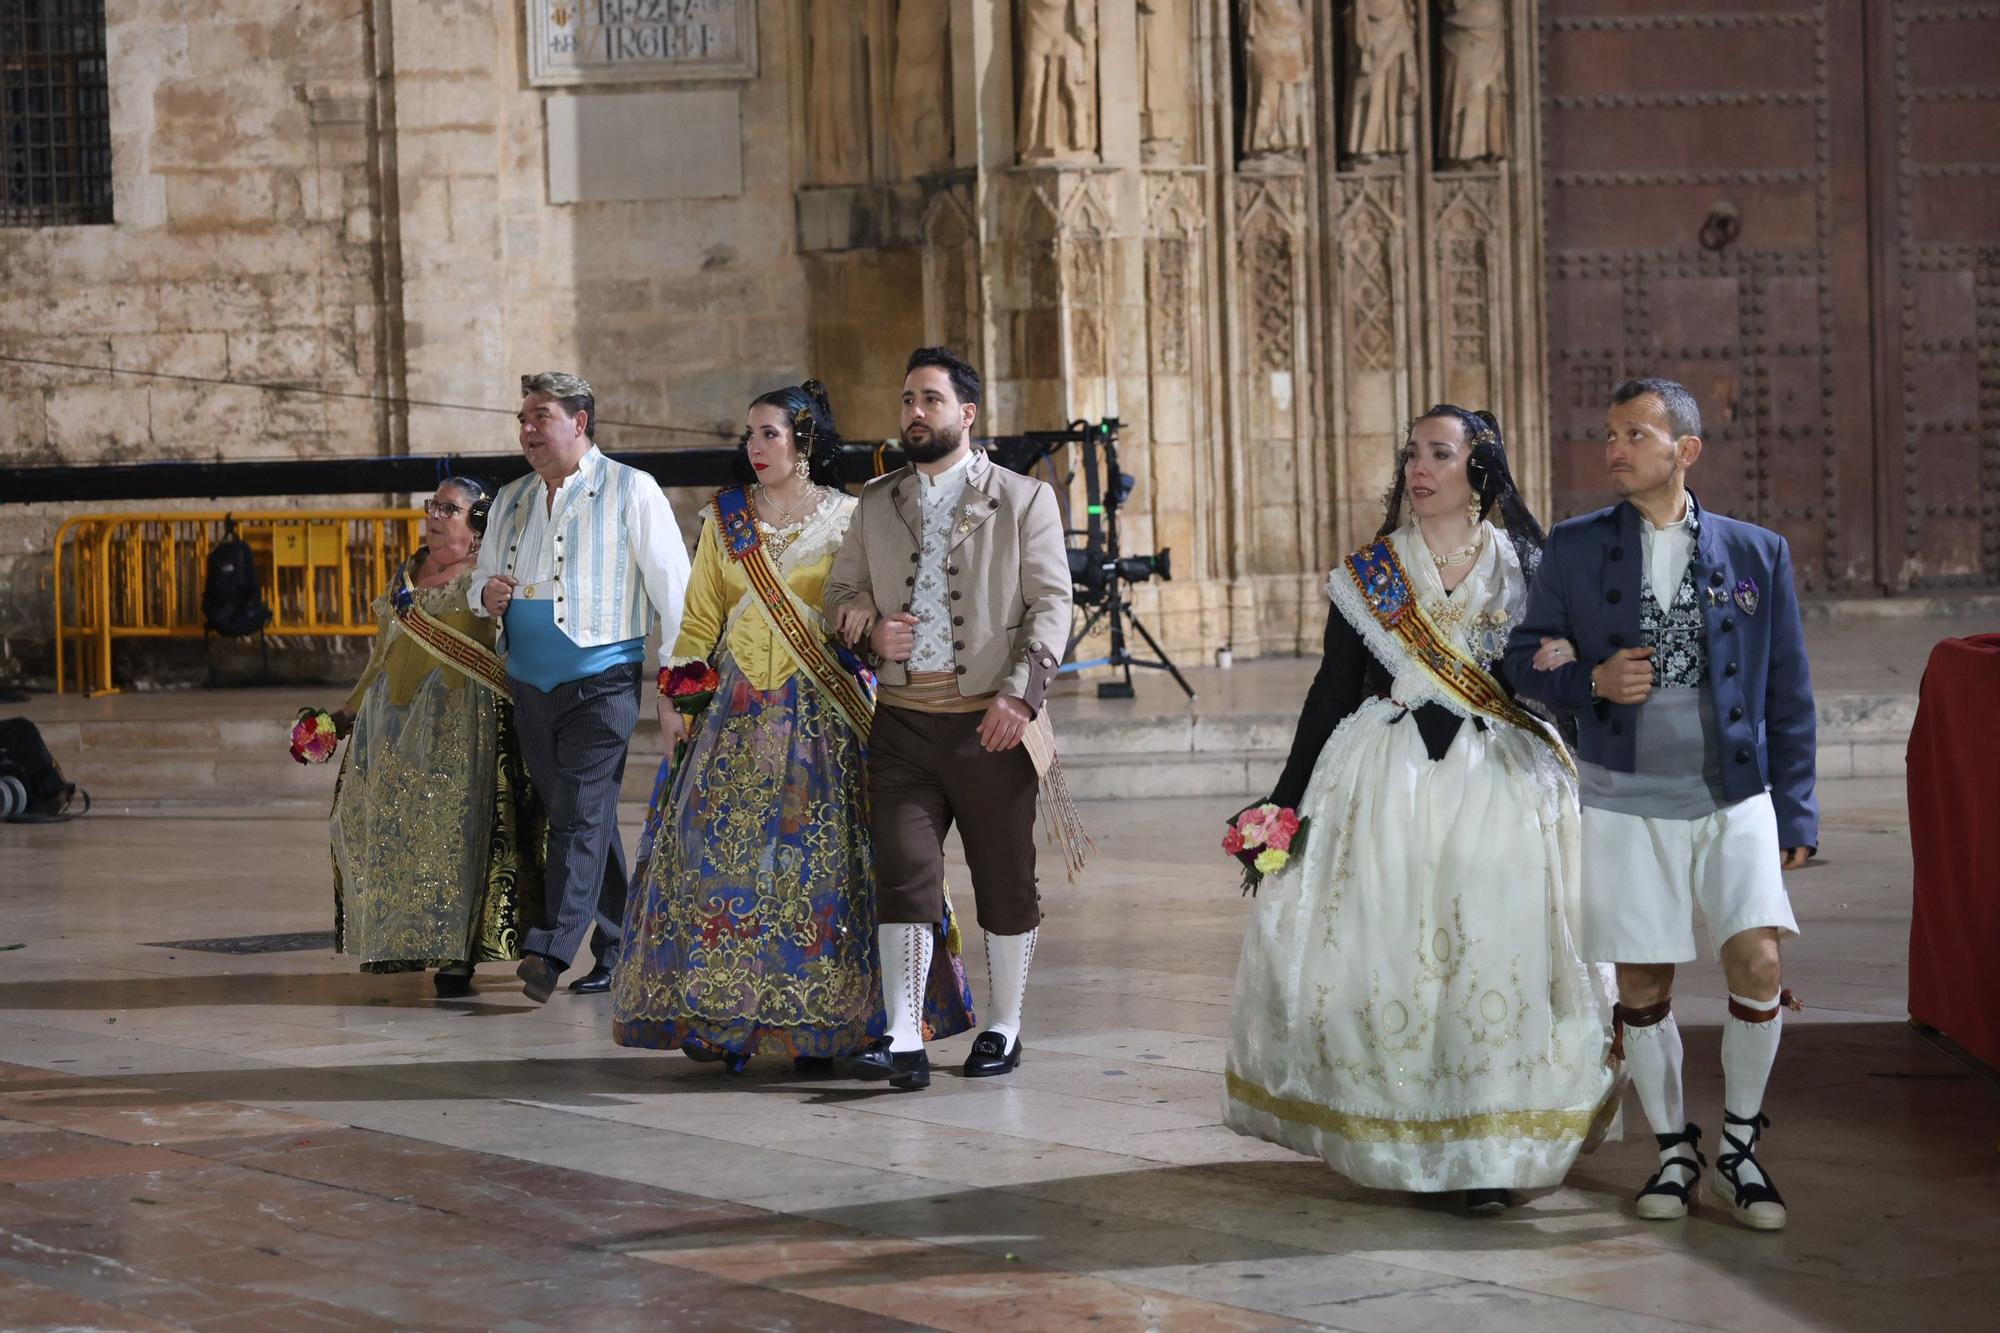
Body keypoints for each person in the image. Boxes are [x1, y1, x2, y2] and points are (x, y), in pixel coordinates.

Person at [1223, 406, 1618, 1214]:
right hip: (1385, 782)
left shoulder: (1527, 564)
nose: (1418, 469)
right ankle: (1404, 1138)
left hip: (1502, 782)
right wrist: (1283, 803)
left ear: (1481, 469)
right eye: (1411, 453)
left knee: (1494, 957)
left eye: (1439, 453)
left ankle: (1487, 1148)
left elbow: (1555, 680)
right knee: (1392, 958)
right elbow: (1330, 693)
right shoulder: (1372, 573)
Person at [1505, 378, 1816, 1231]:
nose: (1614, 448)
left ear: (1686, 450)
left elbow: (1788, 690)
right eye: (1608, 434)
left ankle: (1740, 1148)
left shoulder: (1758, 553)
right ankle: (1675, 1151)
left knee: (1757, 958)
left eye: (1634, 433)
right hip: (1623, 794)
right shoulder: (1573, 548)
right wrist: (1588, 680)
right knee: (1643, 977)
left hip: (1734, 793)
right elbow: (1521, 661)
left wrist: (1796, 809)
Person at [612, 381, 976, 1072]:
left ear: (804, 441)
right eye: (749, 435)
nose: (755, 447)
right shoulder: (724, 521)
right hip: (736, 717)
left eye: (770, 434)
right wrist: (678, 697)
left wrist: (865, 612)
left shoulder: (850, 518)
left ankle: (843, 1022)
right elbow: (696, 621)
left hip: (826, 715)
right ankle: (730, 1020)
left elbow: (875, 599)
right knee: (725, 868)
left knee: (834, 873)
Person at [824, 346, 1079, 1091]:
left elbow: (1052, 605)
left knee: (1006, 881)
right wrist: (868, 627)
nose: (914, 412)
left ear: (966, 414)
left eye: (930, 399)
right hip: (901, 722)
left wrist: (1020, 695)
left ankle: (1005, 1024)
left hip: (992, 725)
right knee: (904, 877)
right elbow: (841, 591)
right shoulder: (876, 501)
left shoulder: (1025, 499)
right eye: (906, 399)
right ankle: (903, 1032)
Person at [472, 372, 692, 1003]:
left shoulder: (632, 489)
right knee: (576, 814)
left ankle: (550, 948)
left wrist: (676, 682)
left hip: (603, 678)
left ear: (580, 422)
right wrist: (483, 593)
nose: (528, 430)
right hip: (528, 680)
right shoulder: (511, 497)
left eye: (541, 416)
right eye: (523, 419)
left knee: (582, 812)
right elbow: (481, 580)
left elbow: (672, 593)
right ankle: (621, 941)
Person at [330, 478, 543, 997]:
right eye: (433, 505)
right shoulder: (407, 572)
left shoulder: (490, 577)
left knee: (455, 840)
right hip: (394, 727)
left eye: (450, 508)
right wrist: (346, 711)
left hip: (460, 725)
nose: (435, 514)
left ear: (477, 522)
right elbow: (381, 653)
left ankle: (457, 957)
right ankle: (402, 939)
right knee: (394, 835)